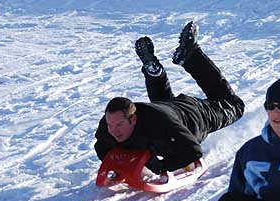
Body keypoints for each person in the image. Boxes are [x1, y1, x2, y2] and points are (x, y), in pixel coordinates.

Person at [94, 21, 245, 175]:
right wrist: (121, 164)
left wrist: (161, 166)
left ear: (133, 119)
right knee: (161, 113)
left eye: (119, 125)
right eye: (110, 125)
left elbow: (193, 152)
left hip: (195, 115)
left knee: (236, 106)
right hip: (164, 108)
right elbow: (101, 148)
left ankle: (192, 56)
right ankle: (155, 73)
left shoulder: (164, 126)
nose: (113, 131)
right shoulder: (108, 126)